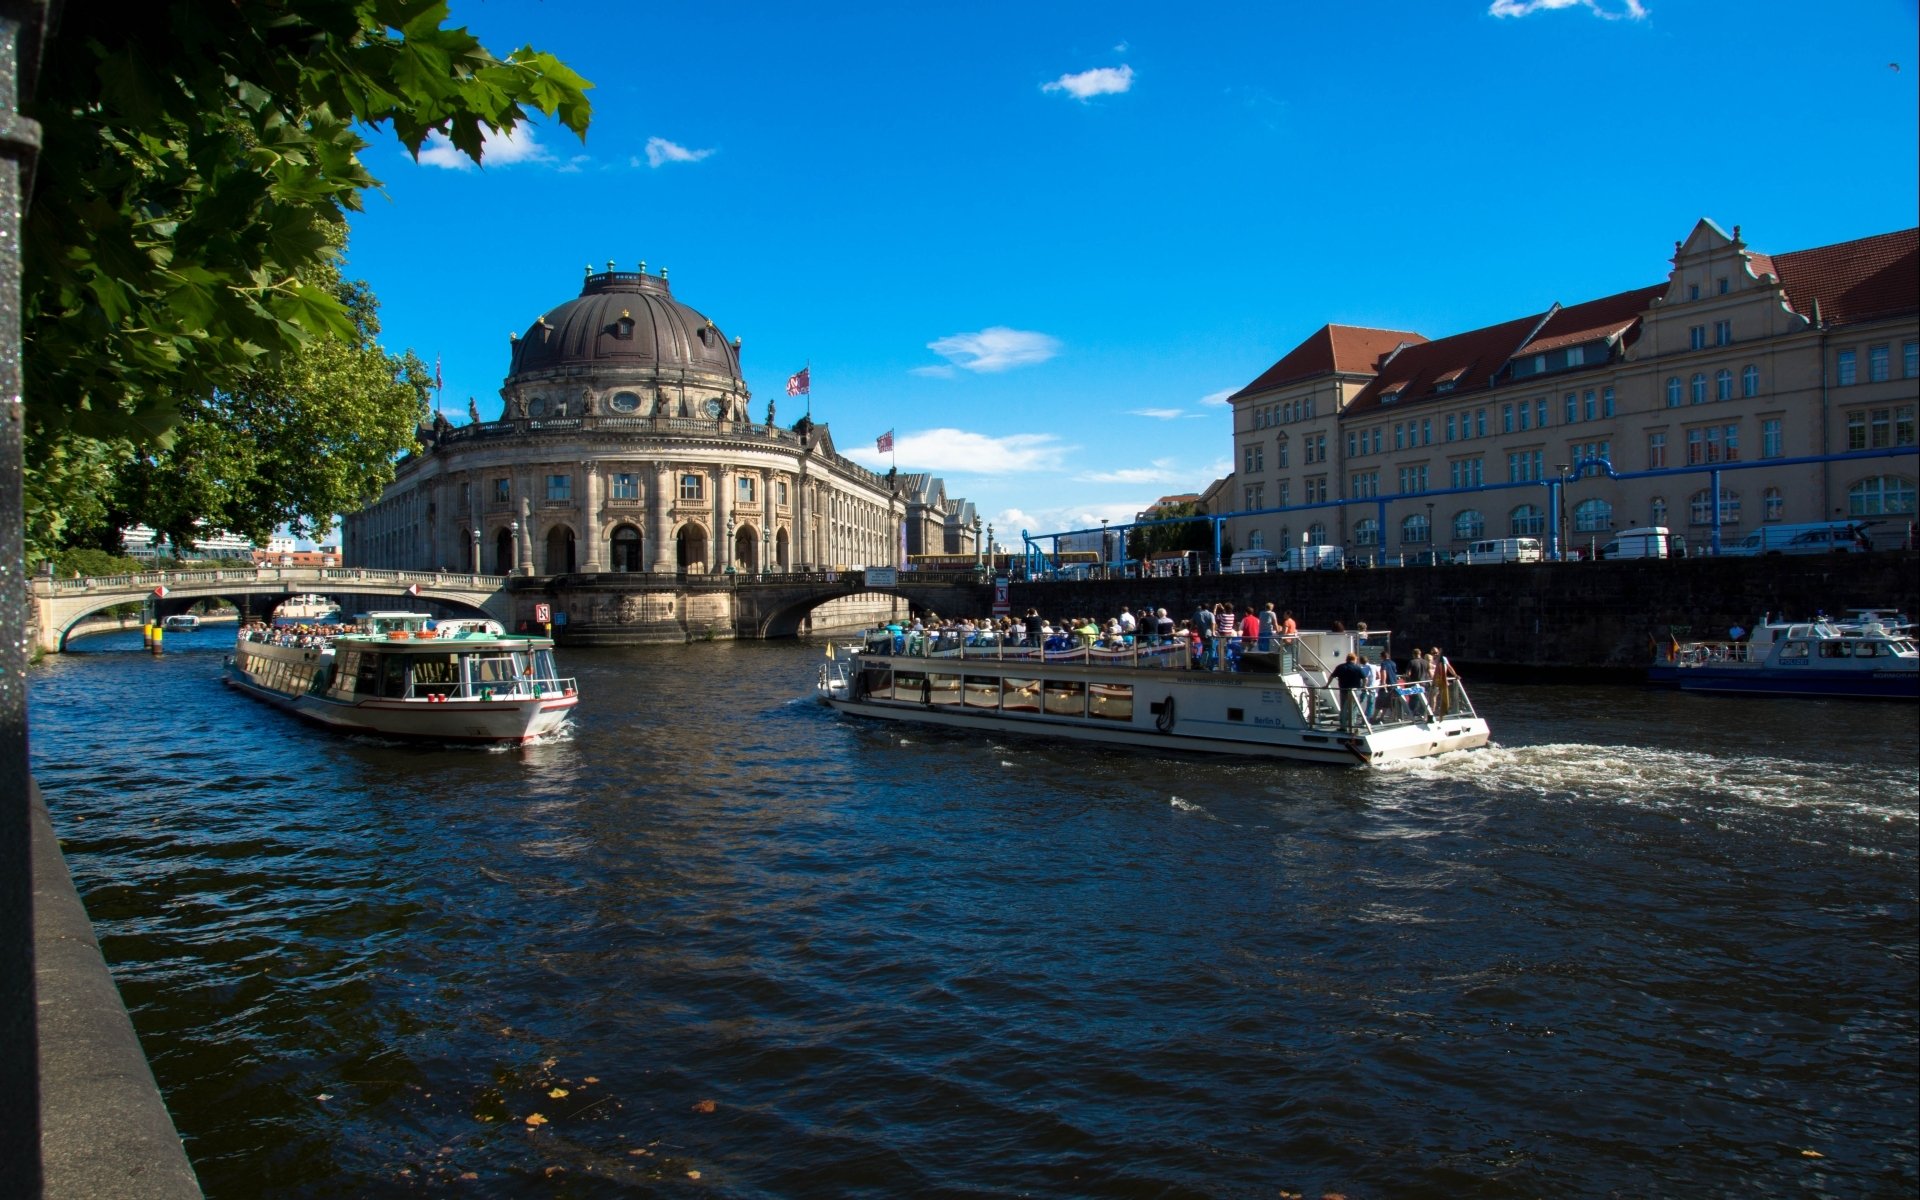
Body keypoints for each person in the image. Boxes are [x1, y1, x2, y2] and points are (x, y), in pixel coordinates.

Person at [1332, 653, 1368, 731]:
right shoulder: (1357, 668)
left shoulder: (1340, 667)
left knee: (1343, 708)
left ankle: (1343, 726)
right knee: (1354, 708)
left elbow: (1332, 676)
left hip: (1344, 690)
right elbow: (1365, 678)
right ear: (1354, 659)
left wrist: (1327, 685)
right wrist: (1364, 686)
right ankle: (1352, 724)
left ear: (1347, 659)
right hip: (1355, 691)